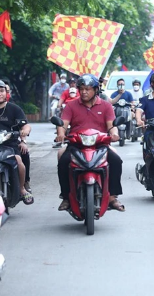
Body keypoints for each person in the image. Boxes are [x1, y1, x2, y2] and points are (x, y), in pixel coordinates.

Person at [56, 74, 125, 212]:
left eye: (87, 89)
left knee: (116, 160)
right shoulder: (71, 105)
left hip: (100, 144)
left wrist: (114, 133)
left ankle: (112, 196)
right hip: (76, 144)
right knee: (63, 160)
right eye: (81, 89)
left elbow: (111, 125)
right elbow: (63, 124)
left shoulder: (106, 106)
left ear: (96, 90)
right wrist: (61, 134)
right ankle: (66, 197)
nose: (84, 92)